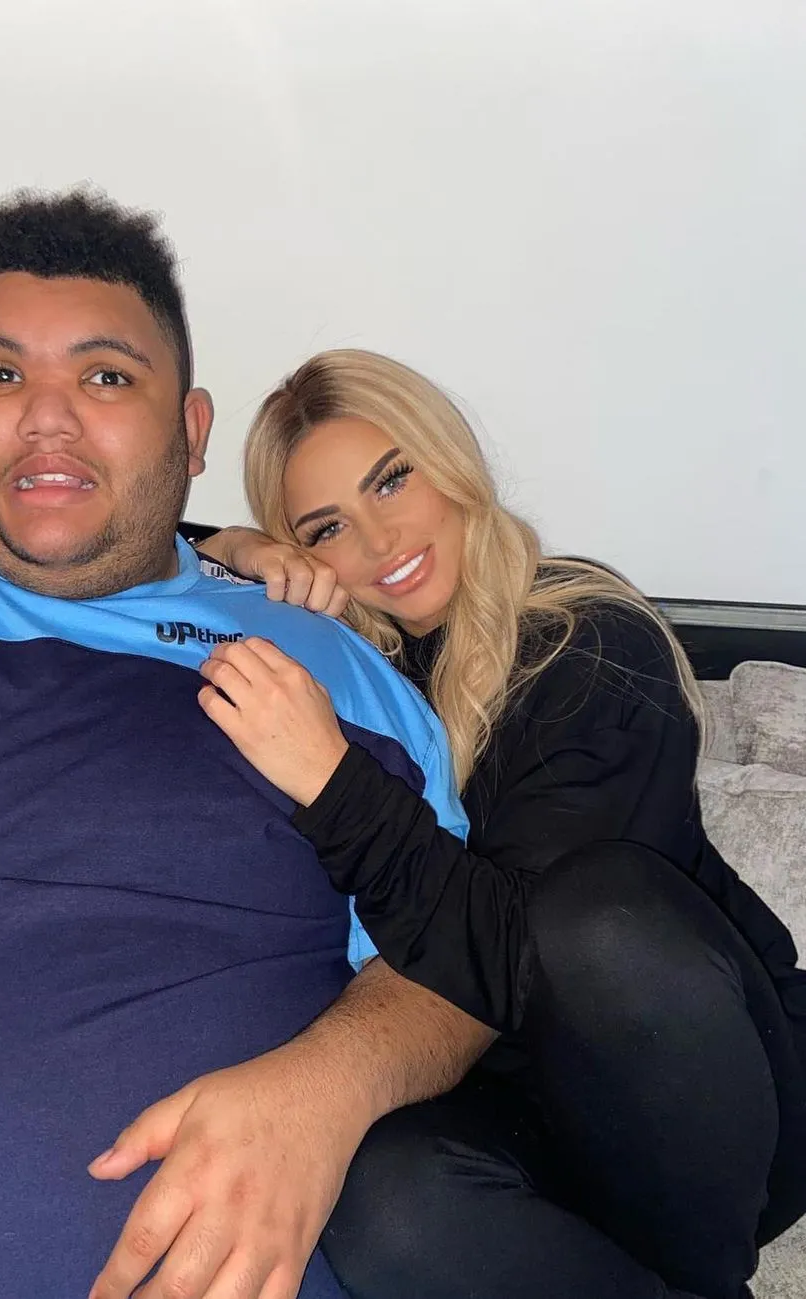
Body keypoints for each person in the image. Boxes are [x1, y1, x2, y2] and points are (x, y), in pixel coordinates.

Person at [0, 194, 489, 1299]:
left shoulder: (336, 677)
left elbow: (461, 968)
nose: (46, 418)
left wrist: (329, 1086)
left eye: (106, 377)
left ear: (191, 430)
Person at [189, 348, 806, 1299]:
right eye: (328, 528)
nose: (380, 537)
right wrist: (231, 546)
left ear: (449, 460)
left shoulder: (592, 641)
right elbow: (116, 538)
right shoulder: (366, 677)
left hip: (708, 1096)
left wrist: (334, 783)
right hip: (522, 1104)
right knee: (378, 1197)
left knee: (593, 915)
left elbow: (528, 965)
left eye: (392, 479)